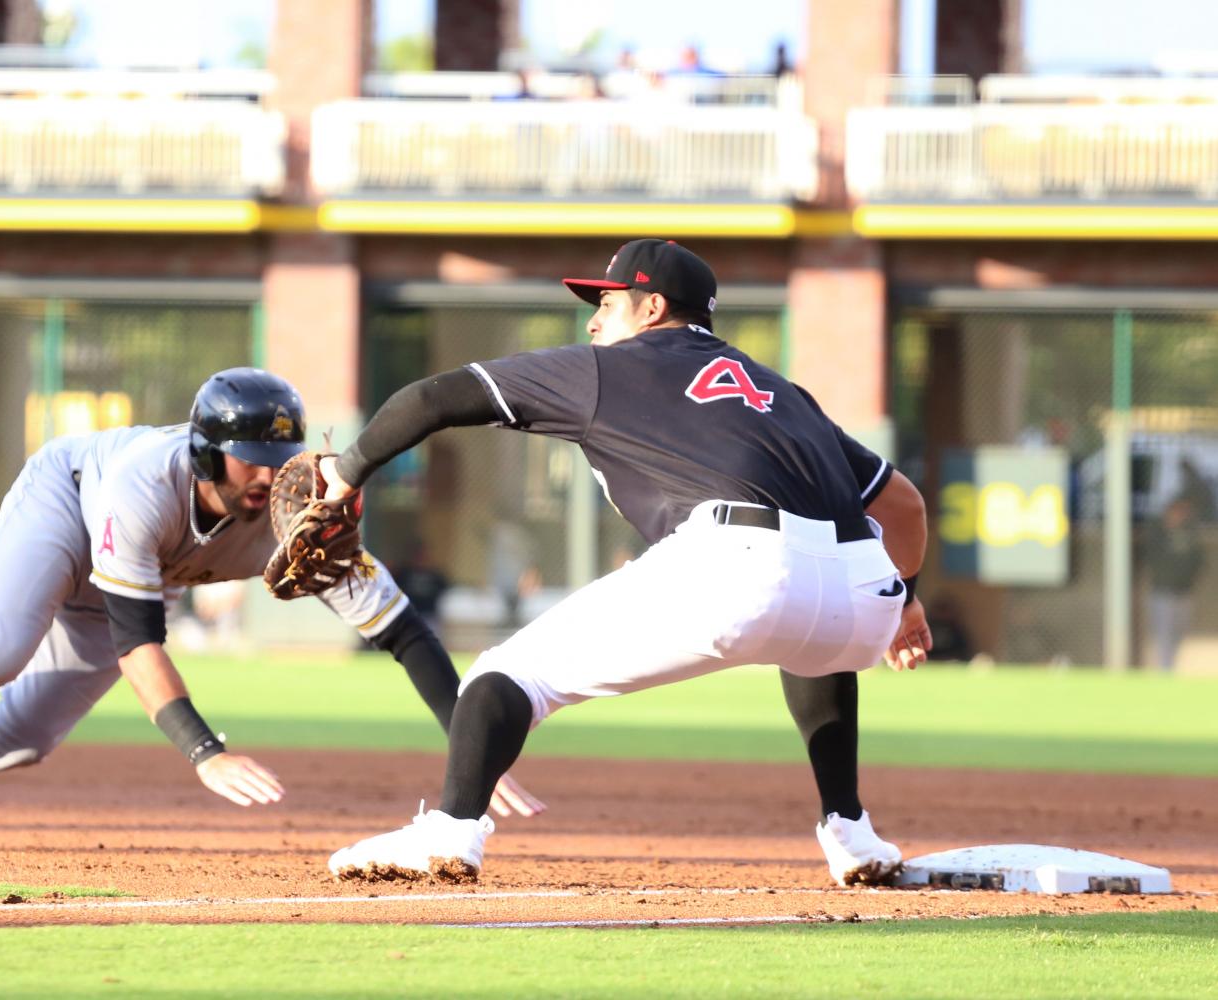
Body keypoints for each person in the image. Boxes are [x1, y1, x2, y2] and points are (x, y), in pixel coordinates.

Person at [321, 240, 931, 886]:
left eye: (606, 304)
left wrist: (346, 469)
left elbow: (431, 399)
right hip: (865, 593)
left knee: (504, 676)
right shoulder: (781, 392)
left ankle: (451, 831)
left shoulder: (608, 369)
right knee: (816, 641)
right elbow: (906, 506)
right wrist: (907, 603)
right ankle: (853, 834)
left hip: (741, 565)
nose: (592, 321)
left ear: (652, 309)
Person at [0, 368, 543, 846]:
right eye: (256, 457)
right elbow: (138, 641)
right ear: (209, 451)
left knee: (26, 732)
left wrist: (468, 741)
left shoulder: (297, 516)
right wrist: (206, 752)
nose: (273, 475)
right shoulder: (145, 484)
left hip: (134, 575)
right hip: (68, 508)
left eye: (285, 458)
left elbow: (405, 633)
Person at [1142, 495, 1205, 671]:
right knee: (1164, 634)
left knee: (1179, 632)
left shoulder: (1189, 535)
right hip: (1163, 592)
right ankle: (1165, 670)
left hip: (1183, 592)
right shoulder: (1157, 534)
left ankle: (1170, 666)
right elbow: (1150, 559)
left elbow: (1198, 560)